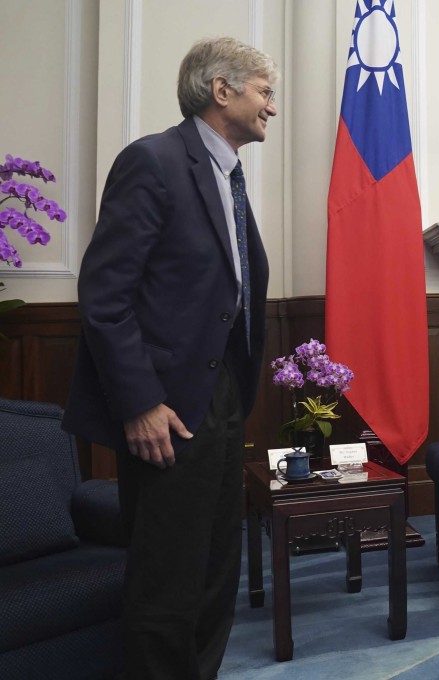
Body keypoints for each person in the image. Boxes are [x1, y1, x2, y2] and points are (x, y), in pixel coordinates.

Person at [62, 36, 277, 679]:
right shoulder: (152, 160)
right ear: (222, 90)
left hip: (223, 395)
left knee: (216, 564)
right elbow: (105, 297)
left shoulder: (230, 177)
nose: (272, 107)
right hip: (165, 405)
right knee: (168, 576)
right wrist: (139, 404)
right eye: (264, 92)